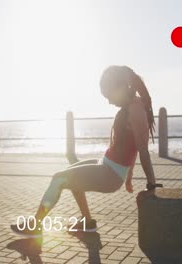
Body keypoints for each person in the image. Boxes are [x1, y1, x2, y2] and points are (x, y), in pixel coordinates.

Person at [11, 65, 162, 237]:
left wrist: (151, 185)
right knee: (72, 175)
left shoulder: (135, 109)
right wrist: (129, 175)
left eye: (108, 95)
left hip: (110, 174)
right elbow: (132, 145)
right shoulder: (131, 106)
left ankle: (35, 225)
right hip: (107, 165)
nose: (109, 101)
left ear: (120, 87)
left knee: (58, 179)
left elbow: (142, 149)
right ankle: (88, 222)